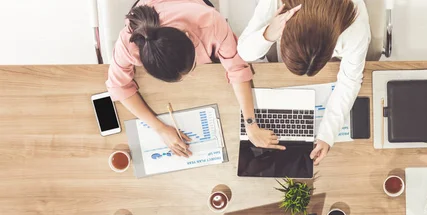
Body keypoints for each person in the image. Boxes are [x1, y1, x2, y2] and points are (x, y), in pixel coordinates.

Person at [106, 0, 284, 158]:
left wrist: (250, 124)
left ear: (189, 37)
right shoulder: (129, 41)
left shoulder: (211, 22)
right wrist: (159, 128)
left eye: (190, 68)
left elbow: (237, 68)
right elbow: (118, 86)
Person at [237, 0, 371, 165]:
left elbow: (350, 80)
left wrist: (327, 135)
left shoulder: (355, 29)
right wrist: (268, 33)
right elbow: (244, 53)